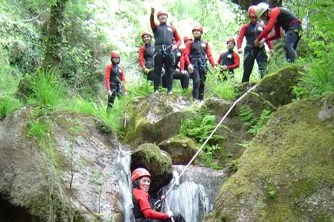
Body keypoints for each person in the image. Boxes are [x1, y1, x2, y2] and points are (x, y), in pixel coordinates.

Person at [237, 6, 274, 82]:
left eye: (255, 17)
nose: (254, 19)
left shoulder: (262, 26)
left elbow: (267, 37)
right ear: (249, 17)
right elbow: (240, 38)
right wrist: (239, 47)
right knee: (247, 71)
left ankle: (265, 87)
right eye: (252, 17)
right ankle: (243, 89)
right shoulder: (245, 27)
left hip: (260, 50)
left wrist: (271, 48)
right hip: (249, 50)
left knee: (263, 70)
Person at [150, 8, 181, 94]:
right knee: (157, 70)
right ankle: (156, 90)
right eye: (160, 16)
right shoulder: (156, 27)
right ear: (158, 18)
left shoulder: (172, 28)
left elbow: (179, 40)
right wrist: (152, 14)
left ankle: (170, 90)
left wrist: (175, 46)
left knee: (169, 70)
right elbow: (152, 22)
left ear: (167, 17)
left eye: (164, 16)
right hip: (158, 50)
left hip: (169, 50)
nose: (162, 17)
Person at [182, 25, 216, 101]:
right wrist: (189, 64)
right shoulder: (190, 44)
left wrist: (214, 65)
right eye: (194, 31)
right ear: (193, 33)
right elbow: (186, 54)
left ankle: (200, 101)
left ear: (201, 32)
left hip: (203, 65)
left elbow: (209, 55)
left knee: (202, 83)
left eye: (198, 31)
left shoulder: (205, 43)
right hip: (194, 64)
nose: (196, 32)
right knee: (196, 82)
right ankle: (195, 102)